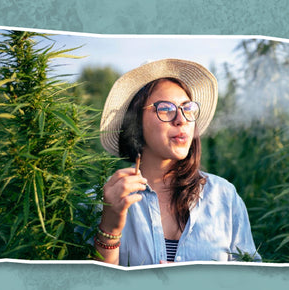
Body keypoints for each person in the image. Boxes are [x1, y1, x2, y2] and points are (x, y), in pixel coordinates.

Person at [96, 58, 260, 266]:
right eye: (165, 108)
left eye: (187, 108)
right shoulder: (102, 200)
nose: (181, 119)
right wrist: (109, 230)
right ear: (135, 122)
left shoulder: (224, 197)